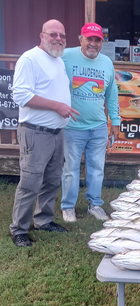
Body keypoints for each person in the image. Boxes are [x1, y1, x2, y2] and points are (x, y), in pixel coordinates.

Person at [9, 19, 80, 247]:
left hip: (57, 133)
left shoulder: (57, 60)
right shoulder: (30, 59)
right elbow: (20, 95)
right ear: (42, 36)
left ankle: (44, 220)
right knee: (30, 182)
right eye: (53, 34)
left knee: (51, 181)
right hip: (35, 133)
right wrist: (56, 106)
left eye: (62, 35)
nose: (58, 38)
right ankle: (19, 229)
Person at [61, 22, 120, 222]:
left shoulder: (107, 63)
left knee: (97, 169)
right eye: (89, 39)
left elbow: (112, 95)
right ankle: (68, 207)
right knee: (71, 169)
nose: (93, 44)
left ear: (101, 43)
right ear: (81, 40)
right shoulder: (65, 56)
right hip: (72, 126)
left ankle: (95, 205)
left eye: (97, 40)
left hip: (98, 127)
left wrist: (116, 122)